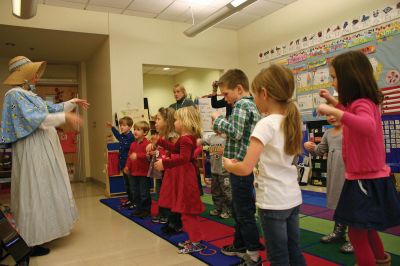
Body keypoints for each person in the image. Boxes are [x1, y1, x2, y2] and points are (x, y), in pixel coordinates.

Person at [317, 50, 400, 266]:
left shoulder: (362, 103)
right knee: (367, 228)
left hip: (365, 179)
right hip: (368, 177)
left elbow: (367, 126)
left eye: (335, 77)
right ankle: (381, 260)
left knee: (356, 232)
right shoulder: (361, 102)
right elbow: (349, 110)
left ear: (350, 78)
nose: (333, 82)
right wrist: (332, 101)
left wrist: (335, 111)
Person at [0, 56, 89, 256]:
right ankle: (31, 239)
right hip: (33, 148)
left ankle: (44, 231)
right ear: (24, 74)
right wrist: (65, 116)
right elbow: (35, 119)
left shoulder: (27, 94)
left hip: (42, 146)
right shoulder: (14, 95)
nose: (37, 77)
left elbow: (51, 109)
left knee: (45, 187)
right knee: (35, 188)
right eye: (34, 73)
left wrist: (71, 103)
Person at [224, 65, 306, 266]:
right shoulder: (290, 120)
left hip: (273, 201)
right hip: (292, 197)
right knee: (294, 250)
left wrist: (229, 165)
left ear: (264, 93)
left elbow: (244, 168)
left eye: (255, 94)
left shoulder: (266, 124)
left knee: (278, 256)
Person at [211, 69, 263, 265]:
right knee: (240, 208)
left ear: (239, 89)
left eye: (226, 94)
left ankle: (253, 254)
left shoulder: (241, 104)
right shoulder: (250, 105)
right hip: (242, 165)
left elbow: (236, 132)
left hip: (240, 165)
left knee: (243, 211)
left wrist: (219, 120)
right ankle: (241, 245)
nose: (225, 99)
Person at [153, 107, 205, 254]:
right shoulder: (185, 138)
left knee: (188, 213)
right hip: (186, 176)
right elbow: (175, 149)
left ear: (185, 122)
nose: (174, 122)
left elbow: (183, 158)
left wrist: (165, 164)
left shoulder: (186, 139)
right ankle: (194, 239)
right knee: (186, 212)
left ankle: (196, 242)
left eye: (176, 120)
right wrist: (162, 143)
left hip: (187, 178)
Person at [304, 108, 354, 254]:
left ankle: (354, 238)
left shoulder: (350, 129)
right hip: (335, 172)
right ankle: (339, 231)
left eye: (334, 114)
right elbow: (320, 151)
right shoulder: (328, 133)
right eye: (328, 115)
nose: (331, 117)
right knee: (338, 200)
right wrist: (312, 147)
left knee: (351, 202)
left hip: (349, 171)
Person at [200, 118, 232, 219]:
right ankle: (218, 208)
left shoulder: (227, 137)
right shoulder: (212, 138)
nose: (212, 124)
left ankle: (228, 210)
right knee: (215, 191)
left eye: (214, 122)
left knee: (226, 191)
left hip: (224, 171)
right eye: (212, 122)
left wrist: (221, 150)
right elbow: (202, 140)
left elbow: (229, 151)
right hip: (214, 170)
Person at [106, 117, 135, 209]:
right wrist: (112, 127)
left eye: (124, 125)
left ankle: (134, 202)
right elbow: (118, 136)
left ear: (130, 127)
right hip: (123, 164)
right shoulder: (122, 136)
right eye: (121, 125)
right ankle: (130, 199)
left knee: (132, 184)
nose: (122, 127)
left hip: (129, 165)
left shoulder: (131, 137)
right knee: (127, 184)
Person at [124, 121, 151, 218]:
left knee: (144, 193)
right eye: (134, 129)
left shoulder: (148, 144)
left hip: (143, 173)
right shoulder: (132, 145)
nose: (135, 131)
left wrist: (138, 156)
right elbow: (129, 157)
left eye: (138, 130)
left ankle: (146, 210)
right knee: (135, 192)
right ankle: (139, 209)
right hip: (133, 172)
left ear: (145, 132)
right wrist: (127, 166)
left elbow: (149, 156)